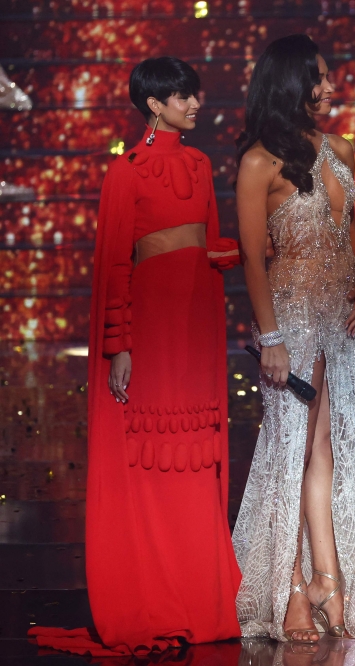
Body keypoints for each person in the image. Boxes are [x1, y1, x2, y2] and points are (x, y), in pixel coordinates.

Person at [30, 57, 242, 655]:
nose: (195, 103)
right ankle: (152, 592)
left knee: (196, 456)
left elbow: (208, 243)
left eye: (195, 94)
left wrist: (245, 253)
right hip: (150, 327)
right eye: (183, 95)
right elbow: (116, 265)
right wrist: (119, 347)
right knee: (152, 456)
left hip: (197, 322)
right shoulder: (124, 173)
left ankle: (202, 597)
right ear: (154, 103)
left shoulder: (201, 165)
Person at [231, 34, 355, 642]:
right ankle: (289, 592)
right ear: (291, 83)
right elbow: (251, 258)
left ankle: (329, 584)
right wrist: (270, 337)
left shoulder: (338, 147)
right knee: (290, 456)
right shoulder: (259, 162)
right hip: (290, 322)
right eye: (318, 78)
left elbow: (350, 231)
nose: (330, 87)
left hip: (340, 324)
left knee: (330, 454)